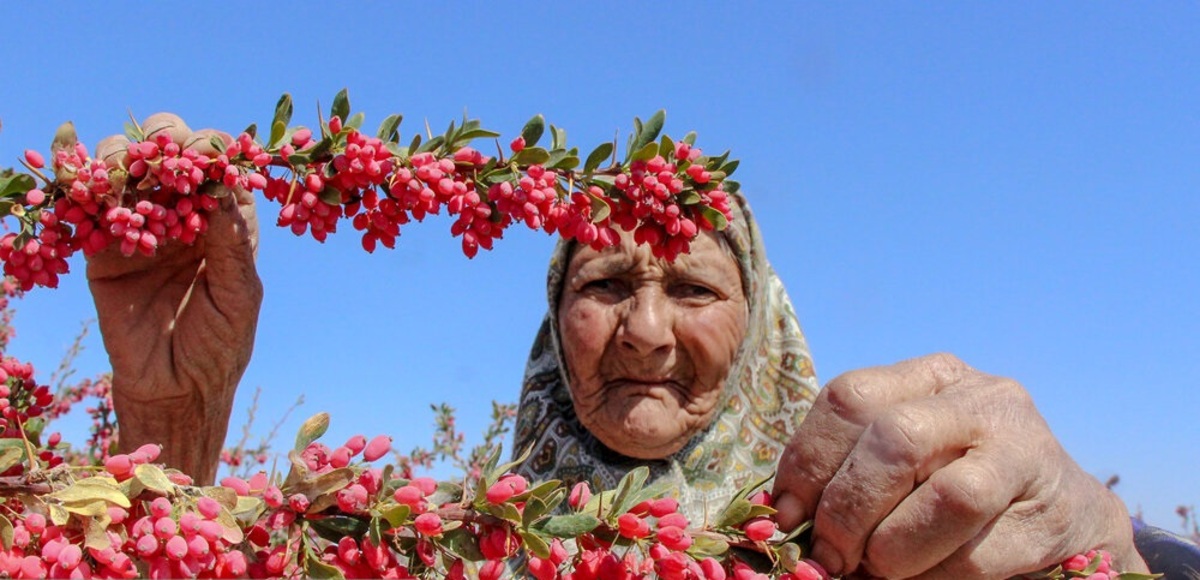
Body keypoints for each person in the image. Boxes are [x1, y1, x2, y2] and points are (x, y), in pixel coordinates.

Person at [89, 115, 1197, 577]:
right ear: (549, 326)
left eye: (697, 287)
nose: (648, 330)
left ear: (762, 328)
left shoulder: (887, 535)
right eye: (606, 282)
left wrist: (1106, 543)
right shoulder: (438, 545)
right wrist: (171, 428)